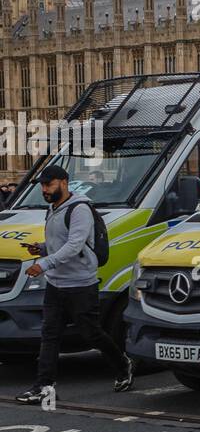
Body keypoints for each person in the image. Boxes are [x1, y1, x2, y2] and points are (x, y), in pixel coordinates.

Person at [14, 165, 134, 404]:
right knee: (49, 335)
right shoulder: (54, 208)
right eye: (42, 186)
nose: (45, 190)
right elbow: (60, 243)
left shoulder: (80, 209)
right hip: (56, 284)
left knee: (92, 334)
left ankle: (123, 364)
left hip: (81, 284)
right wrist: (42, 248)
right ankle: (44, 386)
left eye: (49, 185)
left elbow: (75, 246)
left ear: (64, 182)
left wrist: (44, 263)